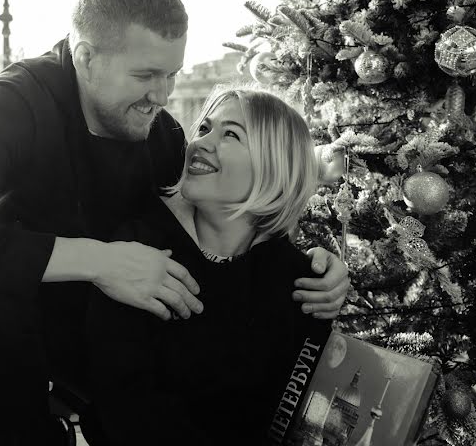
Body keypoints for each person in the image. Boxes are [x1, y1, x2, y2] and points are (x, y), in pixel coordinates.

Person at [0, 0, 349, 446]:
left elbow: (231, 207)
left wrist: (311, 262)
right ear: (86, 58)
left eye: (171, 76)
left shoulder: (158, 132)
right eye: (145, 75)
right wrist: (100, 261)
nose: (161, 97)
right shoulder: (18, 104)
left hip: (99, 328)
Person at [86, 85, 333, 445]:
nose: (200, 142)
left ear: (275, 165)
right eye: (204, 128)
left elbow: (302, 408)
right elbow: (123, 400)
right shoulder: (140, 245)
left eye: (230, 134)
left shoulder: (299, 280)